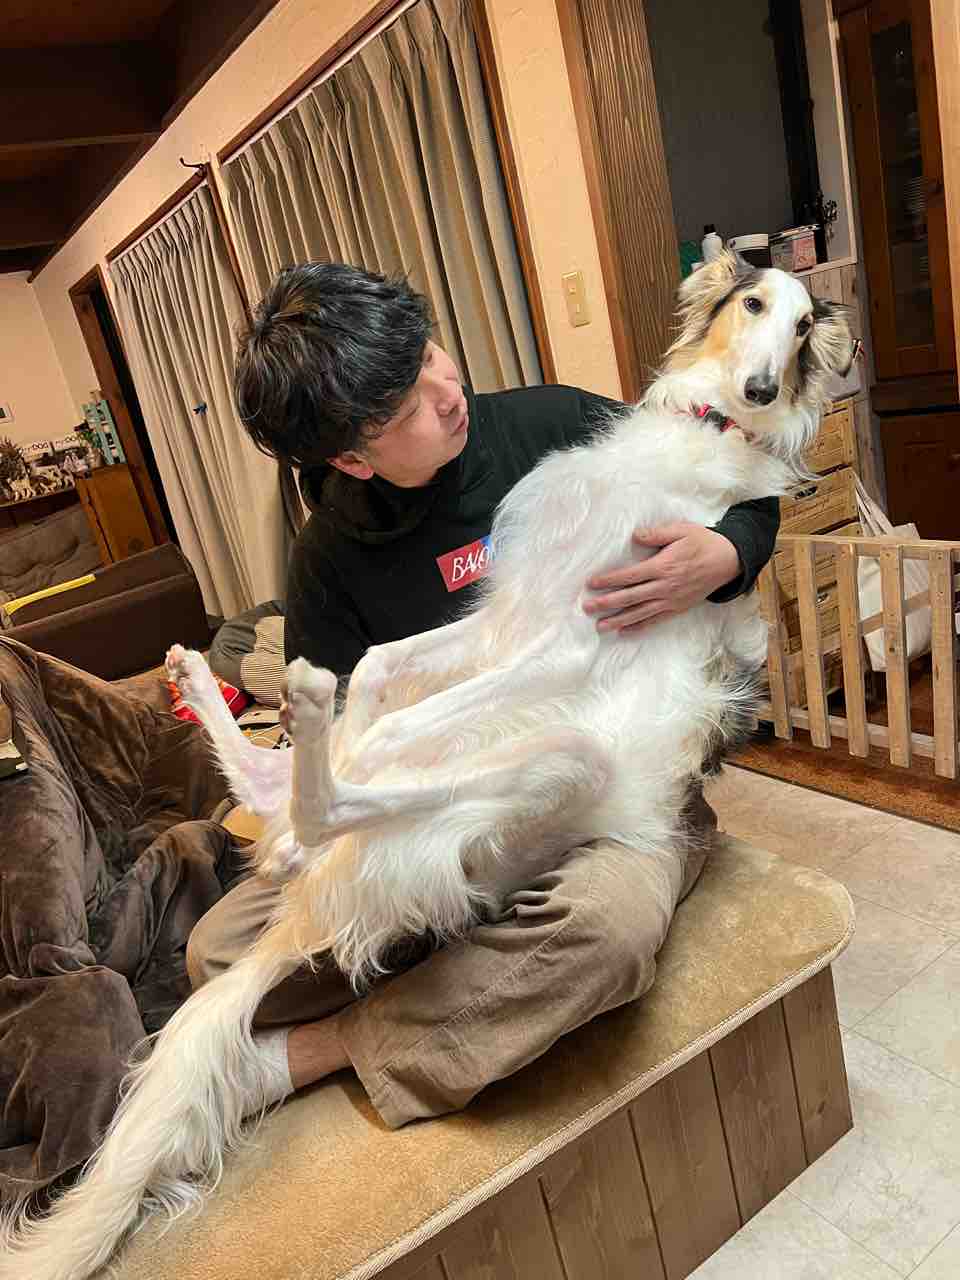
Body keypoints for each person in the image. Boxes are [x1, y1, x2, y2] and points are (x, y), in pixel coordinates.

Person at [186, 262, 780, 1127]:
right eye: (405, 410)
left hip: (606, 781)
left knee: (607, 933)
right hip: (441, 803)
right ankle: (460, 945)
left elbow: (749, 485)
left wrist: (727, 553)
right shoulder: (327, 560)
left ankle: (328, 1049)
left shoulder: (558, 423)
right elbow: (339, 732)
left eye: (430, 354)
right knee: (216, 952)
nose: (445, 391)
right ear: (350, 458)